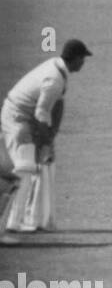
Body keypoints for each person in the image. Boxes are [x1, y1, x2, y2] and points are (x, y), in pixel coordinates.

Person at [1, 39, 91, 235]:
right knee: (24, 169)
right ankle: (12, 223)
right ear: (74, 59)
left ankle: (32, 219)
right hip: (17, 119)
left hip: (26, 117)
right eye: (82, 59)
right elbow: (41, 113)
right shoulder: (54, 80)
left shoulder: (58, 70)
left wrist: (50, 139)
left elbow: (56, 106)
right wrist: (45, 144)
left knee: (38, 165)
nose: (83, 63)